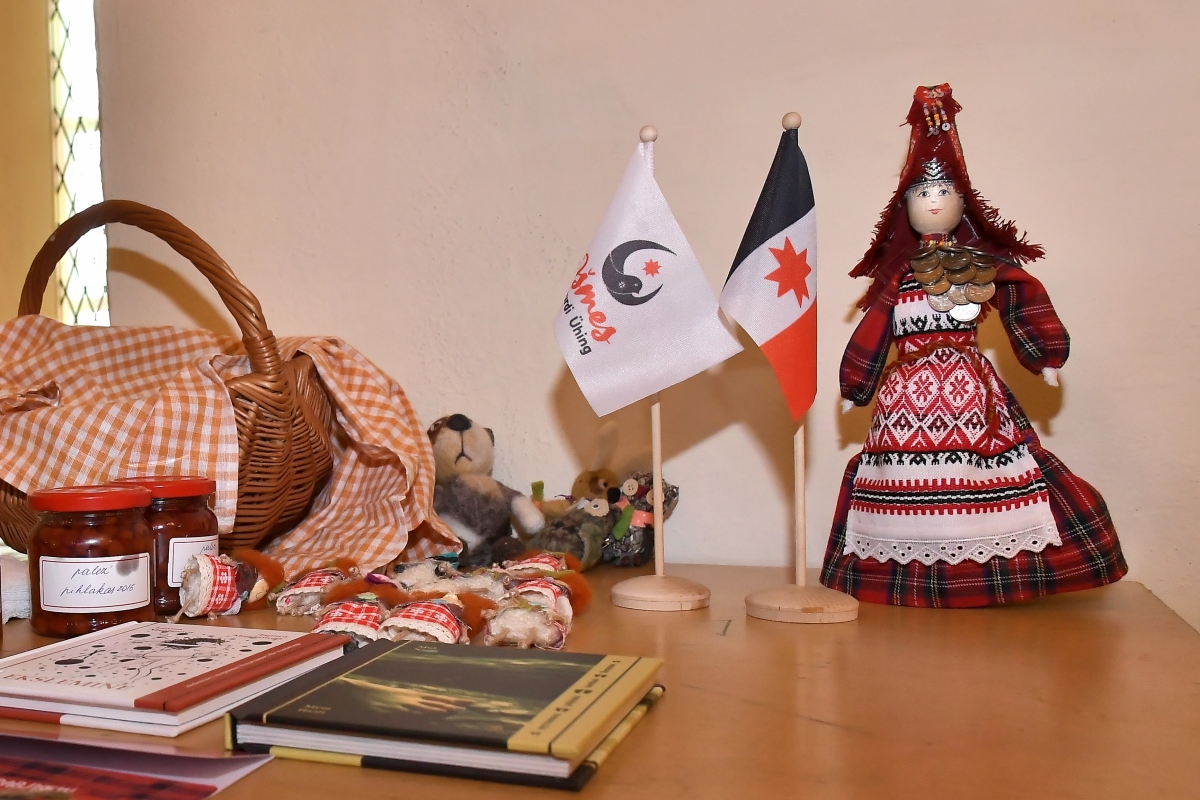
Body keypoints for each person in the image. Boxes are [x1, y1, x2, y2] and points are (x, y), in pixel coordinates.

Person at [820, 84, 1126, 607]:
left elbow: (1022, 292)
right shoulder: (900, 278)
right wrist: (856, 385)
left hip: (970, 394)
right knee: (901, 478)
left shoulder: (978, 267)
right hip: (905, 401)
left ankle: (984, 575)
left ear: (963, 204)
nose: (932, 201)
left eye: (944, 193)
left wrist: (1045, 354)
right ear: (904, 208)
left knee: (988, 469)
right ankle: (904, 572)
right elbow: (874, 330)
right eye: (921, 195)